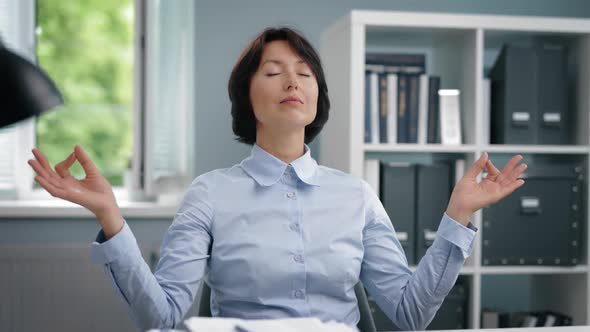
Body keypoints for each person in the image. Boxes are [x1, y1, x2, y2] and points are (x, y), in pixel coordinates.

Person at [27, 27, 526, 331]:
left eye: (305, 72)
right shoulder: (210, 193)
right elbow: (161, 317)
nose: (292, 80)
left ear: (316, 96)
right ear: (247, 97)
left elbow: (410, 313)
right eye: (274, 71)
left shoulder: (355, 195)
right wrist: (110, 217)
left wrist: (458, 216)